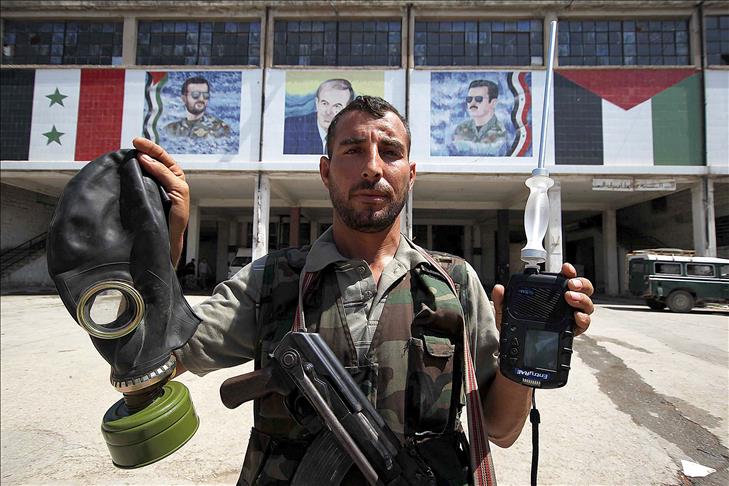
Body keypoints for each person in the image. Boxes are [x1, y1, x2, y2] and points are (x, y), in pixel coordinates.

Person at [131, 95, 594, 484]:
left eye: (390, 151)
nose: (372, 167)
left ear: (410, 174)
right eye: (353, 150)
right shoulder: (269, 281)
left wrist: (522, 351)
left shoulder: (454, 284)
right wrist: (163, 242)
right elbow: (151, 360)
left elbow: (500, 429)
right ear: (325, 171)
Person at [283, 78, 355, 155]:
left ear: (348, 110)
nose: (328, 112)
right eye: (324, 103)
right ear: (317, 103)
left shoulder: (355, 133)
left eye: (337, 106)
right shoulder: (292, 128)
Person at [164, 76, 231, 139]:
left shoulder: (219, 128)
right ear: (184, 98)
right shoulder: (172, 129)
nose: (201, 99)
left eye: (205, 95)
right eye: (195, 95)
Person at [452, 79, 507, 153]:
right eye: (469, 99)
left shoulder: (503, 132)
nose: (472, 103)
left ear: (493, 103)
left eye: (478, 99)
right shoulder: (460, 129)